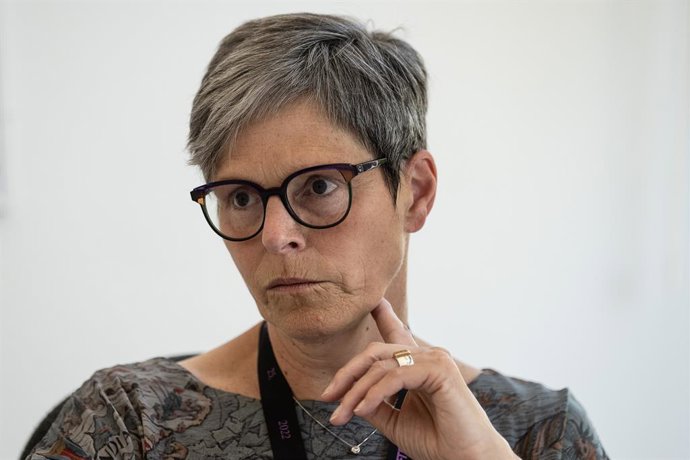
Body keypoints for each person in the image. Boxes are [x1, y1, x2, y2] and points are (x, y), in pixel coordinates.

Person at [25, 13, 608, 460]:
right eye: (242, 198)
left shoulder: (539, 433)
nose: (277, 236)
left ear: (416, 191)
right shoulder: (130, 424)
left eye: (321, 187)